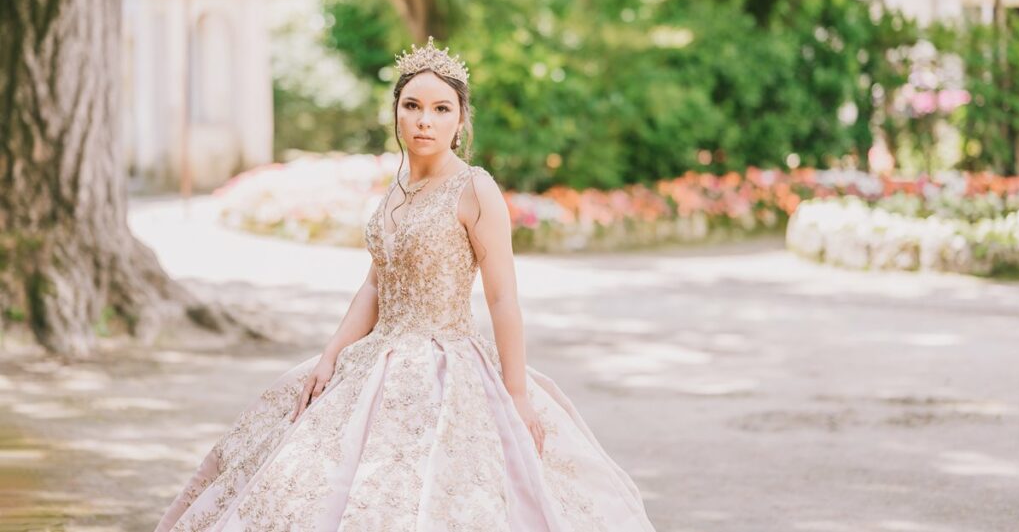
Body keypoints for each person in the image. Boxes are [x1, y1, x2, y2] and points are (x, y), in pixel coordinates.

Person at [154, 37, 658, 531]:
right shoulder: (396, 191)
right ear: (396, 112)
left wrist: (518, 394)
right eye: (413, 105)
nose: (424, 120)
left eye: (441, 109)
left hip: (447, 360)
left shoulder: (474, 188)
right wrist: (331, 353)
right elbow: (374, 287)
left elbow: (503, 298)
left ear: (460, 121)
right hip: (376, 357)